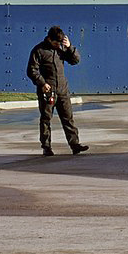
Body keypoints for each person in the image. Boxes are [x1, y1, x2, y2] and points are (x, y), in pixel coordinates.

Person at [26, 26, 87, 156]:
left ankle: (75, 145)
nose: (57, 45)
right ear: (49, 39)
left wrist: (69, 47)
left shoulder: (61, 48)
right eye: (55, 43)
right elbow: (32, 70)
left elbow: (75, 60)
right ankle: (46, 147)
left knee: (68, 118)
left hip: (62, 89)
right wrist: (42, 83)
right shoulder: (39, 50)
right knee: (46, 119)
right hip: (47, 91)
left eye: (59, 43)